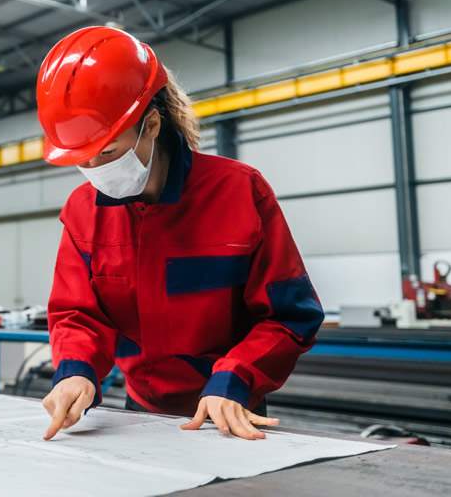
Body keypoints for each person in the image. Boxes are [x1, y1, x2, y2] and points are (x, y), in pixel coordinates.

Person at [37, 26, 323, 441]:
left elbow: (291, 315)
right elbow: (78, 314)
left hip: (231, 411)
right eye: (84, 158)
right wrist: (75, 372)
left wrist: (235, 379)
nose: (97, 169)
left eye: (108, 151)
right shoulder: (83, 212)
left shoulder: (240, 192)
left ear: (151, 125)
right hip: (141, 415)